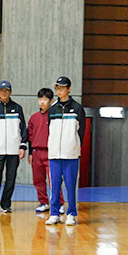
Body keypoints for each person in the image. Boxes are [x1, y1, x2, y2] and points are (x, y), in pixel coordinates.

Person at [45, 76, 86, 226]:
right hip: (54, 155)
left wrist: (74, 147)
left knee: (71, 186)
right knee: (54, 186)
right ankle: (54, 213)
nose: (59, 90)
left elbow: (81, 132)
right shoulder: (52, 109)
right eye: (57, 88)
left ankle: (71, 214)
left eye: (62, 87)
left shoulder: (77, 108)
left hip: (71, 155)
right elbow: (50, 129)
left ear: (69, 89)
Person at [0, 80, 27, 214]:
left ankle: (6, 204)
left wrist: (22, 146)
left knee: (11, 178)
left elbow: (23, 128)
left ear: (10, 92)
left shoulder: (17, 108)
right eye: (1, 91)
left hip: (14, 150)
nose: (4, 93)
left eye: (6, 90)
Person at [27, 88, 60, 213]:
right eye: (40, 99)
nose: (42, 102)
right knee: (38, 180)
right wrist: (30, 153)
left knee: (54, 179)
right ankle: (43, 202)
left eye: (45, 99)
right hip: (36, 152)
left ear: (51, 100)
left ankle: (59, 203)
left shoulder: (55, 116)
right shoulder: (34, 118)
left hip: (50, 152)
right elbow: (30, 136)